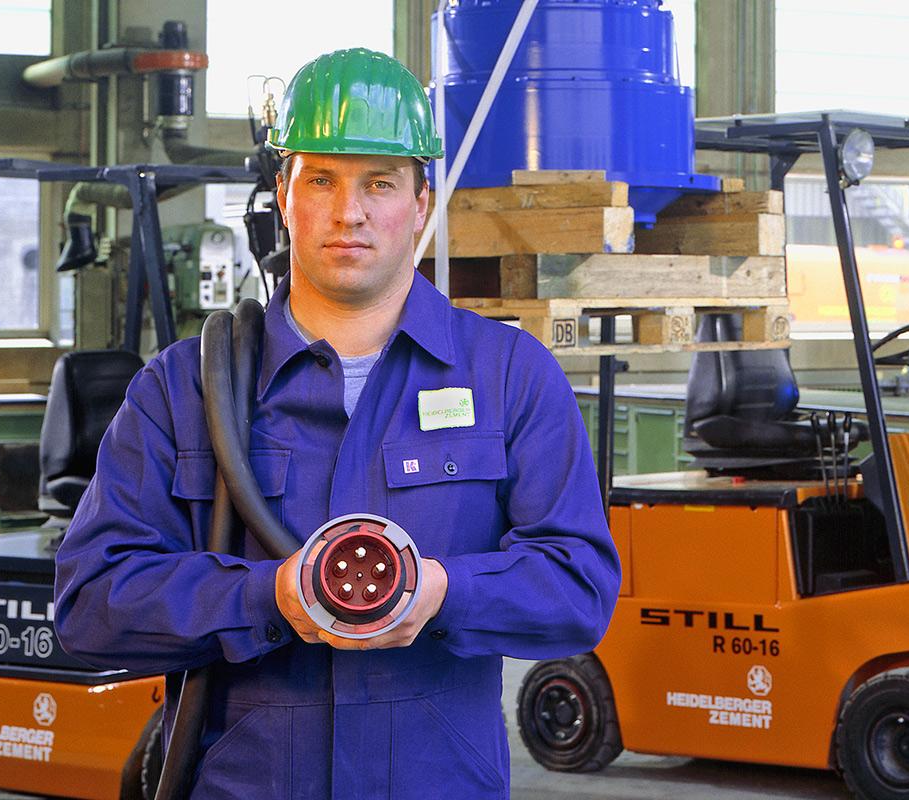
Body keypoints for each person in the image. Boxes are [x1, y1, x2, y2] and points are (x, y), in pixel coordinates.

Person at [53, 49, 620, 798]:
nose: (349, 212)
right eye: (321, 179)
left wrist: (443, 591)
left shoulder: (510, 376)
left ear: (421, 203)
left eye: (379, 183)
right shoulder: (182, 388)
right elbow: (91, 604)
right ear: (283, 195)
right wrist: (269, 597)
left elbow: (578, 588)